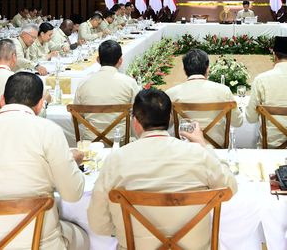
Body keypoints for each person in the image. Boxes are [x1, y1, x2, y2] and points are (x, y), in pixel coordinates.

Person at [0, 72, 89, 249]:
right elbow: (73, 194)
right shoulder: (48, 131)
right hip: (37, 244)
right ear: (40, 105)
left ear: (2, 100)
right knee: (82, 237)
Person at [88, 88, 237, 248]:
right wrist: (203, 145)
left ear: (135, 121)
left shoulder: (116, 159)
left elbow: (98, 223)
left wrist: (122, 231)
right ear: (170, 118)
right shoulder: (198, 154)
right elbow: (231, 187)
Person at [166, 49, 244, 147]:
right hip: (217, 149)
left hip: (185, 149)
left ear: (184, 69)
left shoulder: (171, 93)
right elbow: (238, 122)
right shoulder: (224, 91)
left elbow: (167, 125)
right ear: (207, 68)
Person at [73, 40, 141, 142]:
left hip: (91, 141)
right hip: (121, 140)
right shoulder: (129, 83)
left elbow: (77, 117)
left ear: (98, 60)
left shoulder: (83, 83)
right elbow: (137, 113)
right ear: (120, 60)